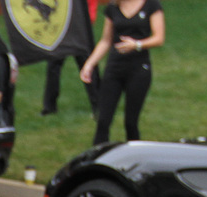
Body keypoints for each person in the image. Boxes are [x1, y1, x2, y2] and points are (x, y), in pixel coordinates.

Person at [81, 0, 164, 145]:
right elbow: (106, 41)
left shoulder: (151, 5)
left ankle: (135, 158)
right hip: (114, 68)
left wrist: (137, 45)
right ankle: (98, 161)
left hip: (138, 69)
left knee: (131, 123)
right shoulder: (113, 8)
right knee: (103, 121)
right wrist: (89, 64)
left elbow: (159, 38)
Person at [41, 0, 100, 115]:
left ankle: (98, 106)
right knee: (54, 66)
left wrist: (89, 17)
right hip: (62, 26)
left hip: (80, 25)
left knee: (87, 64)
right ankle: (49, 106)